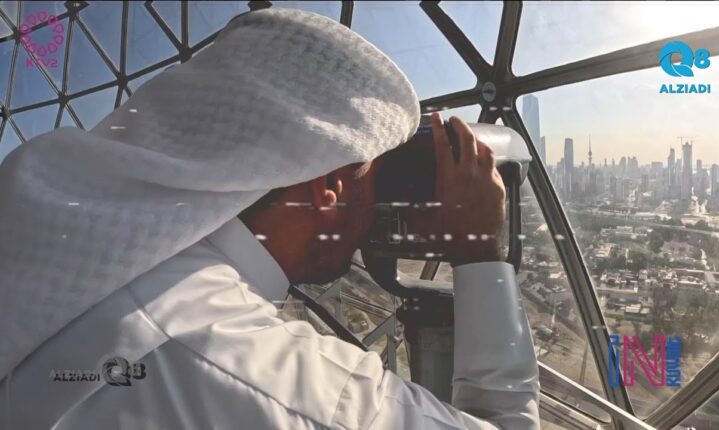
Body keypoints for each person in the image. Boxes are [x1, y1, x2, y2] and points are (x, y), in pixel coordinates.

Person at [0, 8, 539, 429]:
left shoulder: (82, 248)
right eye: (375, 177)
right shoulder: (272, 380)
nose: (378, 205)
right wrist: (480, 253)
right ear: (328, 187)